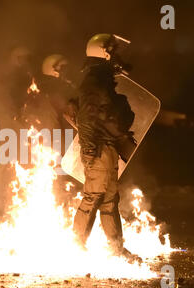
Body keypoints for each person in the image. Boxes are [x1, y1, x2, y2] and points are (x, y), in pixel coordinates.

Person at [72, 34, 138, 261]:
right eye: (113, 51)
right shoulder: (95, 82)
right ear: (104, 53)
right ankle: (75, 247)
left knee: (110, 199)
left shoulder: (101, 79)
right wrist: (90, 148)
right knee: (94, 196)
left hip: (106, 148)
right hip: (98, 148)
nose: (117, 56)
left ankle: (116, 249)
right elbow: (90, 118)